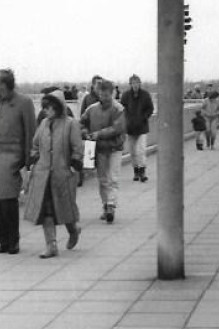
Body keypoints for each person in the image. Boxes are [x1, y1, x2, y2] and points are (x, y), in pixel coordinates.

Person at [0, 68, 36, 254]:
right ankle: (3, 240)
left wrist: (28, 160)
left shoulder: (24, 103)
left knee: (8, 199)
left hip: (11, 155)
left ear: (4, 84)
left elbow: (30, 132)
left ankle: (13, 240)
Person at [24, 90, 83, 257]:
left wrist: (73, 165)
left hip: (62, 174)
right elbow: (35, 145)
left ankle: (73, 230)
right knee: (46, 211)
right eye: (44, 107)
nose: (46, 111)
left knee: (65, 209)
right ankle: (52, 245)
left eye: (49, 107)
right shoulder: (43, 124)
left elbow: (77, 148)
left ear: (58, 107)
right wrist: (34, 161)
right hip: (43, 176)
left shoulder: (71, 124)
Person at [80, 79, 126, 223]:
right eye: (101, 94)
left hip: (115, 148)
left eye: (106, 95)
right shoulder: (91, 109)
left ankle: (111, 204)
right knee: (102, 180)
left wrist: (98, 134)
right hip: (99, 149)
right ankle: (106, 205)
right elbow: (81, 123)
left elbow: (117, 128)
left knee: (113, 178)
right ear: (98, 93)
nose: (104, 97)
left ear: (111, 94)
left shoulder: (119, 109)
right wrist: (85, 132)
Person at [120, 74, 154, 182]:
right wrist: (126, 120)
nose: (135, 85)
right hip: (130, 128)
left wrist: (144, 117)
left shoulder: (145, 95)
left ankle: (142, 171)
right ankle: (136, 171)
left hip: (142, 127)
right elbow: (122, 109)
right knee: (133, 151)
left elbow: (150, 108)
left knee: (141, 150)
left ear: (140, 83)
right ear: (130, 84)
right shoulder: (125, 95)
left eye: (137, 83)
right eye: (133, 83)